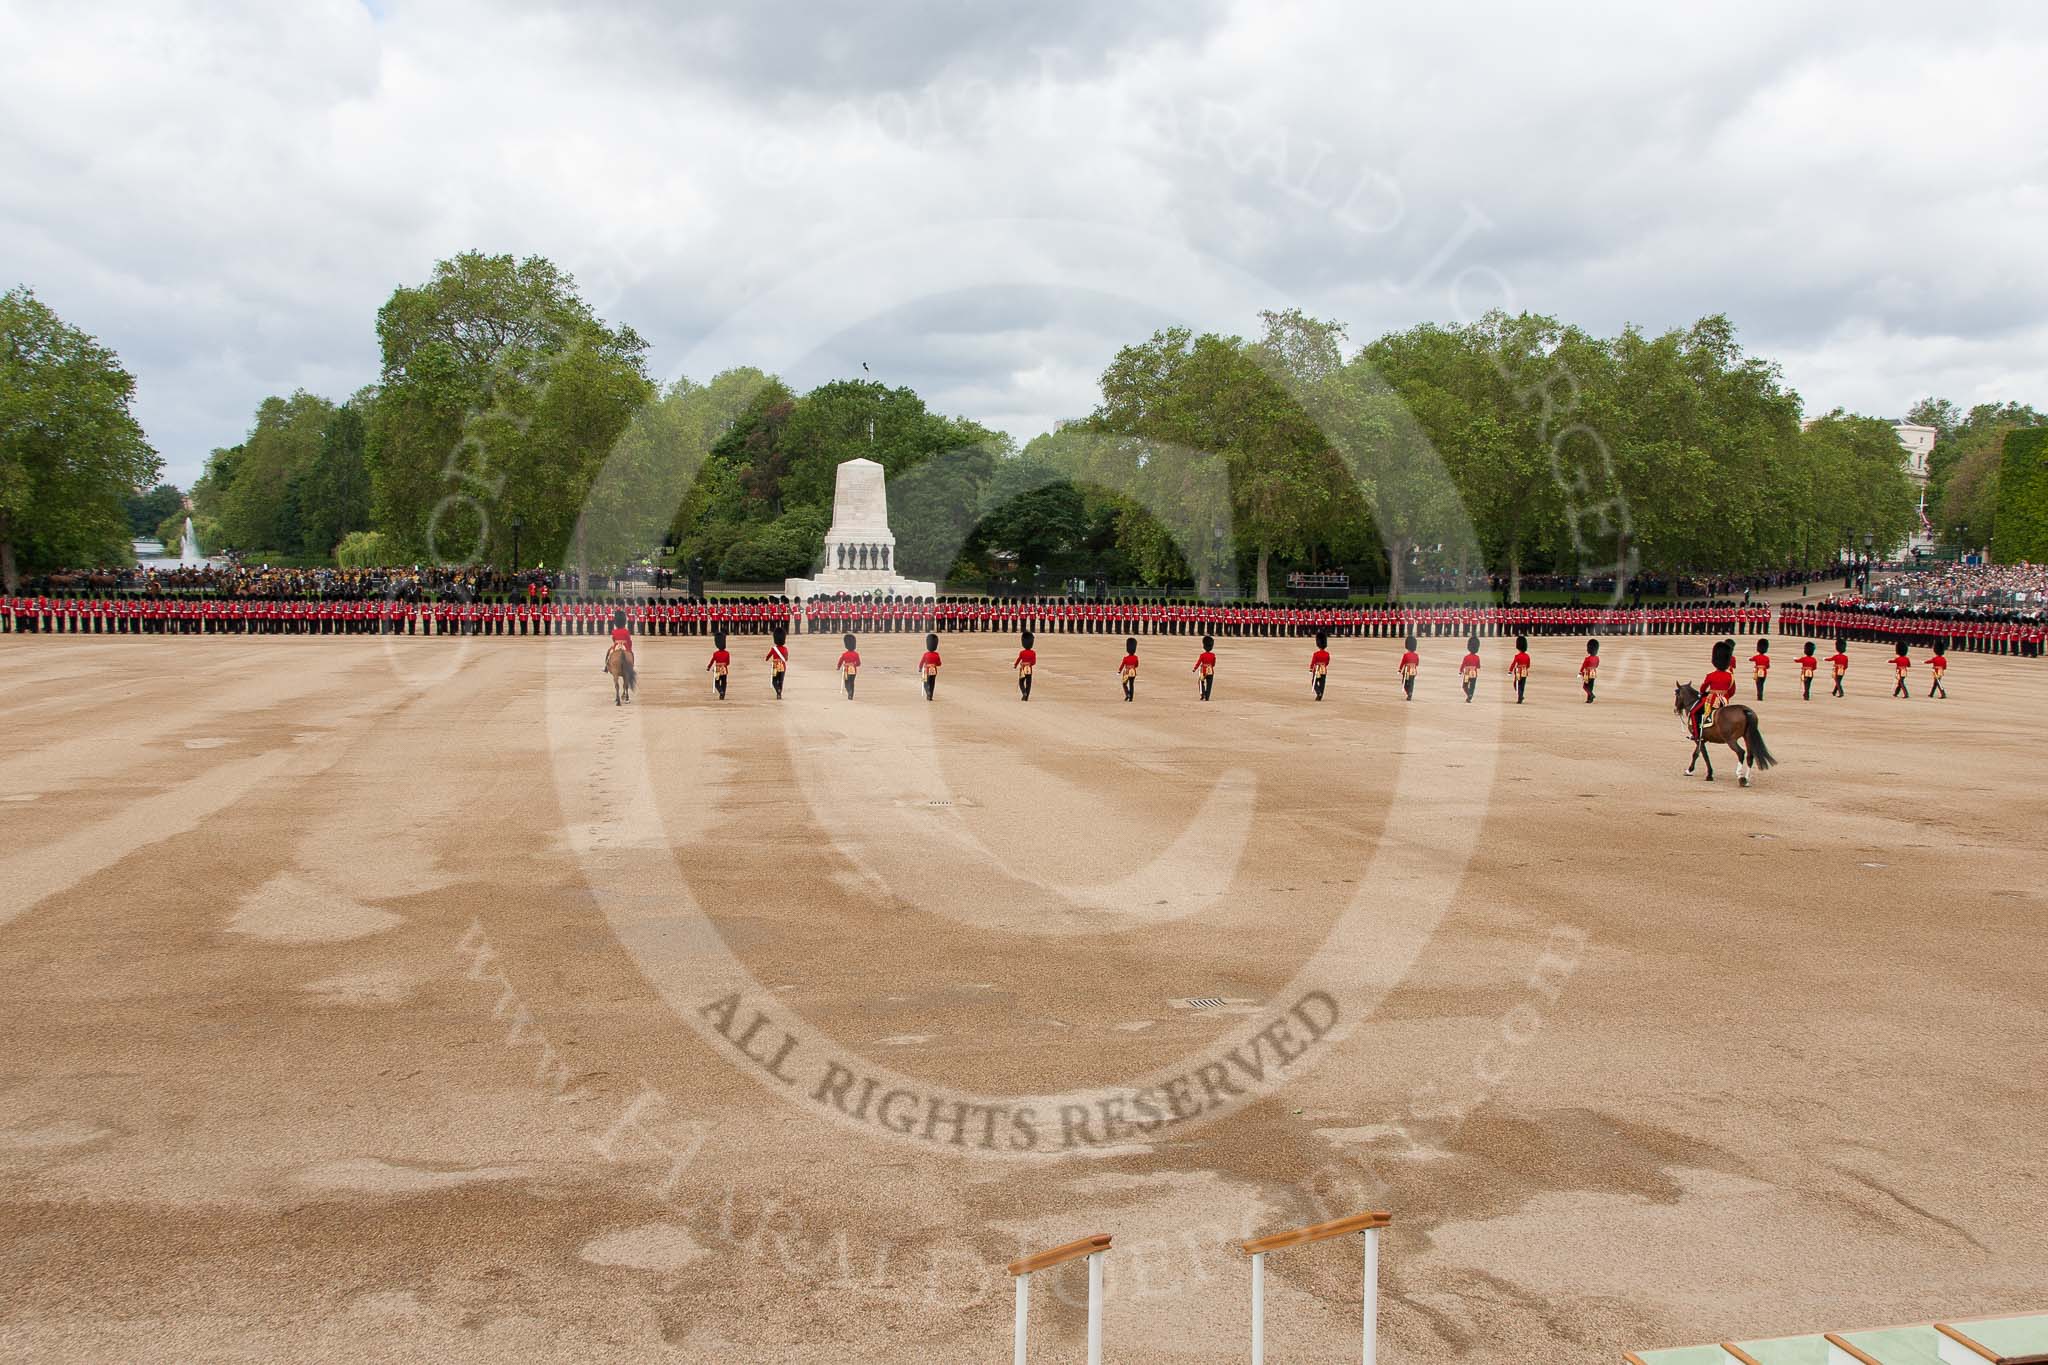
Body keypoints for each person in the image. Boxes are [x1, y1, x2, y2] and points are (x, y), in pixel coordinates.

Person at [1689, 640, 1736, 740]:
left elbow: (1703, 688)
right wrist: (1725, 696)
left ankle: (1697, 735)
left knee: (1693, 712)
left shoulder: (1711, 675)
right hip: (1724, 700)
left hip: (1711, 700)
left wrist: (1702, 693)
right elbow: (1732, 691)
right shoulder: (1730, 676)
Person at [605, 608, 636, 692]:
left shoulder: (614, 631)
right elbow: (629, 640)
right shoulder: (626, 631)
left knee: (609, 652)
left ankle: (606, 666)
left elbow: (614, 639)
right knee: (631, 654)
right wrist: (629, 648)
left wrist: (616, 644)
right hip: (625, 645)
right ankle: (632, 665)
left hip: (616, 645)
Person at [706, 629, 731, 700]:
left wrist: (708, 667)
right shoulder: (727, 653)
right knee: (724, 682)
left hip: (717, 668)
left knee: (716, 682)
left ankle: (720, 691)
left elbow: (712, 661)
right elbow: (728, 662)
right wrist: (724, 665)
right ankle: (722, 695)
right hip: (724, 667)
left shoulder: (715, 653)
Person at [1014, 629, 1037, 701]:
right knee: (1028, 683)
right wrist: (1029, 664)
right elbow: (1034, 662)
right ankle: (1026, 697)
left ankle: (1024, 692)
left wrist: (1015, 665)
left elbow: (1018, 659)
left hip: (1023, 667)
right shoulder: (1033, 652)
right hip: (1029, 668)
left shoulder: (1022, 652)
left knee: (1021, 682)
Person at [918, 632, 942, 701]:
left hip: (926, 670)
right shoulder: (936, 654)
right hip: (933, 669)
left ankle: (927, 692)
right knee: (932, 683)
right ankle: (930, 695)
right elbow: (939, 663)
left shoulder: (926, 654)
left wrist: (920, 668)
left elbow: (922, 662)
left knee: (924, 682)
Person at [1193, 634, 1217, 701]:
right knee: (1209, 684)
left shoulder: (1202, 655)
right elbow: (1213, 664)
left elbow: (1199, 662)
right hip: (1210, 670)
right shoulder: (1213, 655)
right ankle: (1207, 696)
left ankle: (1202, 693)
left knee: (1201, 682)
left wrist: (1195, 668)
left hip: (1203, 670)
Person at [1508, 634, 1531, 704]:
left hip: (1518, 671)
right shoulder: (1527, 656)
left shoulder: (1517, 656)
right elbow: (1528, 665)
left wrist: (1510, 671)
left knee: (1516, 684)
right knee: (1522, 685)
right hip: (1525, 671)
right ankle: (1521, 695)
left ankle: (1520, 696)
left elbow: (1513, 664)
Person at [837, 632, 860, 700]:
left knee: (847, 682)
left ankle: (849, 691)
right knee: (852, 682)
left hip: (846, 669)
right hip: (853, 669)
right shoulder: (856, 654)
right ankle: (851, 694)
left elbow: (840, 661)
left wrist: (838, 667)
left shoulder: (845, 654)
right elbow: (858, 663)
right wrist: (853, 664)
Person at [1308, 630, 1331, 701]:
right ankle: (1320, 695)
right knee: (1322, 683)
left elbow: (1313, 662)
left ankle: (1318, 692)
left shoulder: (1316, 654)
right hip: (1323, 668)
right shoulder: (1327, 653)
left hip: (1317, 668)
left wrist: (1311, 669)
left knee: (1314, 682)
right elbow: (1327, 662)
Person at [1459, 634, 1481, 703]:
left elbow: (1463, 664)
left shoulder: (1466, 657)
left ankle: (1469, 695)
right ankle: (1470, 696)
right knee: (1472, 686)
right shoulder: (1477, 657)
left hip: (1467, 672)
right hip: (1474, 672)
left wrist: (1460, 671)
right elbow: (1478, 666)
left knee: (1465, 685)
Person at [1117, 637, 1140, 702]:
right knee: (1131, 684)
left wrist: (1119, 671)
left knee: (1124, 684)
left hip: (1127, 671)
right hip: (1133, 671)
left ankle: (1128, 694)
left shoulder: (1126, 658)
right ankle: (1131, 698)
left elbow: (1122, 665)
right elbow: (1137, 665)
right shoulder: (1136, 657)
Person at [1398, 635, 1420, 702]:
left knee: (1404, 682)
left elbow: (1403, 663)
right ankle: (1410, 692)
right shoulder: (1416, 655)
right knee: (1411, 682)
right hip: (1413, 670)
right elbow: (1417, 663)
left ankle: (1408, 693)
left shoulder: (1406, 655)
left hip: (1407, 670)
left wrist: (1399, 670)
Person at [1579, 637, 1599, 703]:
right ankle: (1590, 699)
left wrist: (1580, 673)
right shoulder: (1597, 658)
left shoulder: (1587, 659)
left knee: (1585, 686)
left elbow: (1583, 666)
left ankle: (1591, 695)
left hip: (1587, 672)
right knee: (1590, 687)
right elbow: (1597, 665)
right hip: (1593, 672)